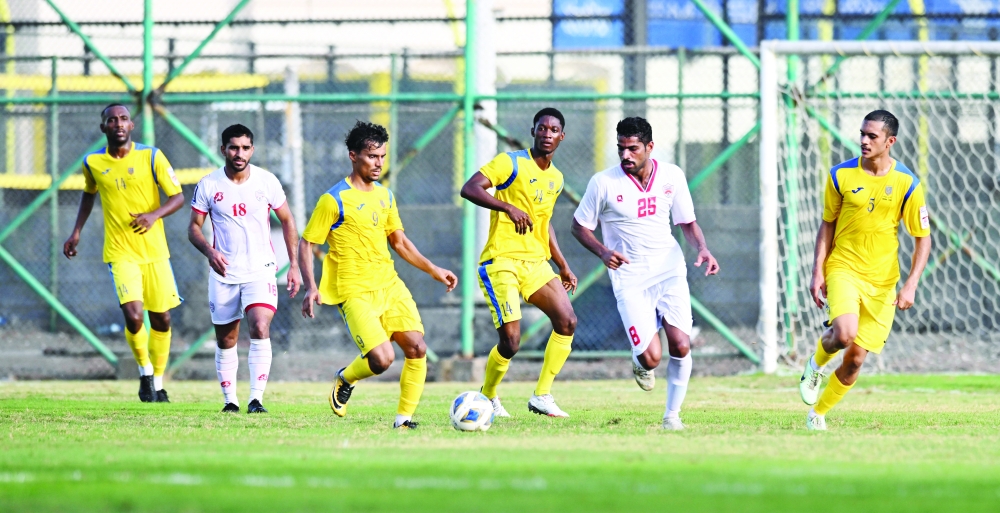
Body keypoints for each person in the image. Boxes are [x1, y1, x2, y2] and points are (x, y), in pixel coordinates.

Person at [298, 121, 457, 429]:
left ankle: (403, 420)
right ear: (353, 156)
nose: (378, 163)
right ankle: (346, 378)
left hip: (389, 286)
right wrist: (310, 286)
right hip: (354, 292)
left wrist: (434, 270)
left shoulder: (385, 196)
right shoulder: (333, 200)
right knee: (382, 360)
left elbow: (399, 242)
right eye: (372, 156)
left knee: (417, 348)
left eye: (382, 156)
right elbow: (307, 243)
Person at [571, 117, 719, 430]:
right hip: (630, 279)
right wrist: (603, 252)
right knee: (652, 357)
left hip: (669, 271)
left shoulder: (672, 176)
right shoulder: (603, 183)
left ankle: (672, 417)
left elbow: (687, 223)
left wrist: (702, 249)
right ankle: (641, 361)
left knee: (680, 345)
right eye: (621, 148)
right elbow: (579, 226)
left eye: (633, 148)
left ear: (649, 147)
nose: (626, 155)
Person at [799, 110, 932, 430]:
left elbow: (922, 239)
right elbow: (827, 224)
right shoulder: (839, 175)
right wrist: (818, 270)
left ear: (890, 142)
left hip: (883, 282)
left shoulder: (907, 184)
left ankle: (817, 414)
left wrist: (911, 283)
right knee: (843, 334)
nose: (863, 140)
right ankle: (815, 365)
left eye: (872, 136)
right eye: (861, 133)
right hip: (844, 267)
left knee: (855, 360)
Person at [460, 107, 578, 419]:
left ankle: (542, 395)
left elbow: (545, 223)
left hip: (536, 264)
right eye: (542, 128)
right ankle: (487, 398)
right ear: (533, 131)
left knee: (567, 321)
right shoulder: (509, 162)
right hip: (501, 262)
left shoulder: (556, 178)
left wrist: (563, 264)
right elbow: (470, 188)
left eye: (554, 130)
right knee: (511, 342)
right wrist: (507, 207)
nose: (547, 134)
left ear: (561, 137)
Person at [63, 104, 185, 403]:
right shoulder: (92, 162)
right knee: (133, 316)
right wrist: (76, 230)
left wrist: (154, 215)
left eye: (124, 119)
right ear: (103, 127)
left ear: (132, 126)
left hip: (155, 252)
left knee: (163, 320)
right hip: (120, 252)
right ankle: (144, 374)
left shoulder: (152, 155)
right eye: (111, 120)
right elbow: (89, 194)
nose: (118, 124)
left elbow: (178, 196)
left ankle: (158, 382)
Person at [188, 124, 301, 414]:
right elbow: (193, 229)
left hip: (261, 270)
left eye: (245, 147)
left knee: (260, 326)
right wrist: (210, 251)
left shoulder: (267, 181)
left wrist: (294, 266)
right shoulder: (209, 185)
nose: (240, 153)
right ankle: (230, 401)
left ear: (252, 149)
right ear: (223, 149)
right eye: (234, 147)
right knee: (226, 339)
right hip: (224, 274)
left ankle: (256, 399)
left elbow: (288, 220)